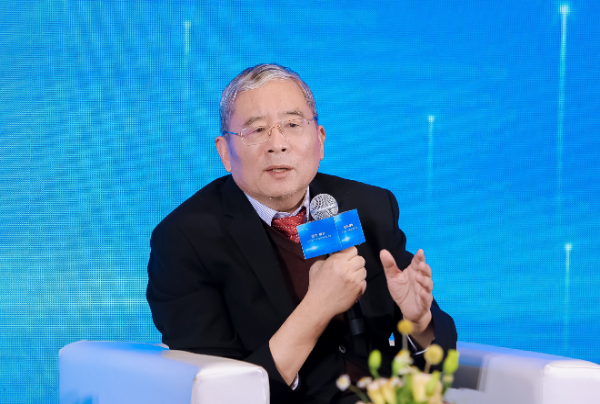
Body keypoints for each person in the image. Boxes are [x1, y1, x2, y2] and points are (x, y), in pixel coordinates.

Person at [146, 64, 457, 404]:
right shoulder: (186, 240)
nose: (277, 144)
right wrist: (318, 307)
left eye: (293, 125)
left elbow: (435, 363)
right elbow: (219, 392)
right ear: (224, 152)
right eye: (257, 130)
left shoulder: (368, 207)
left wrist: (419, 321)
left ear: (320, 140)